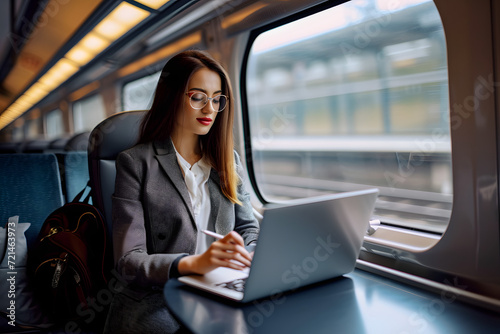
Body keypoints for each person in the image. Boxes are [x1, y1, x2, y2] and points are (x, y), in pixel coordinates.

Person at [104, 50, 260, 333]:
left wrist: (246, 256)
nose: (209, 109)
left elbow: (249, 227)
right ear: (172, 97)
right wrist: (193, 263)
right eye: (198, 97)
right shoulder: (135, 163)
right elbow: (128, 262)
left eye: (216, 99)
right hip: (157, 295)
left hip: (218, 286)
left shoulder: (228, 160)